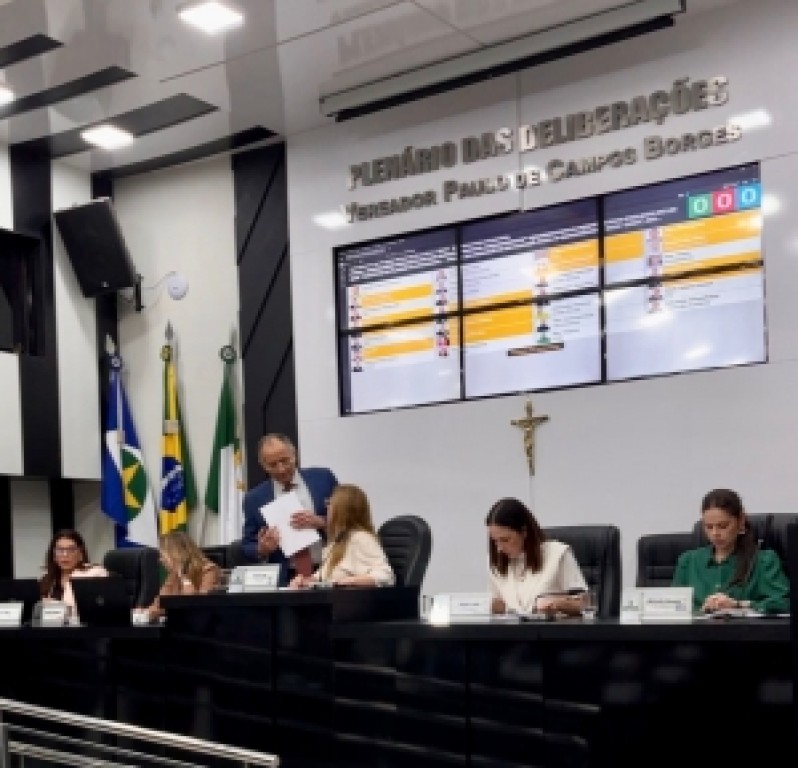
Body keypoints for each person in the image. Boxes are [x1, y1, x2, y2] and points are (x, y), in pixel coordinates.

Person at [672, 488, 789, 614]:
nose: (715, 533)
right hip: (699, 626)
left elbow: (786, 602)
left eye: (723, 526)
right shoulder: (688, 561)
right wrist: (701, 610)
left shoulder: (763, 561)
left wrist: (738, 604)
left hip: (744, 627)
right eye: (709, 527)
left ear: (741, 521)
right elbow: (672, 606)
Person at [242, 433, 338, 584]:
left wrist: (322, 522)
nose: (281, 469)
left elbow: (350, 520)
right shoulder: (254, 499)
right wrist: (262, 549)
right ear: (263, 465)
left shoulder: (323, 479)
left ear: (294, 455)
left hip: (328, 570)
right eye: (273, 465)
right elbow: (248, 544)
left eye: (285, 461)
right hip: (286, 577)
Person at [486, 498, 587, 615]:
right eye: (495, 541)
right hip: (514, 626)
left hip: (553, 626)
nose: (499, 548)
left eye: (505, 540)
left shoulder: (558, 554)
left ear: (524, 532)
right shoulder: (496, 561)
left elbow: (583, 605)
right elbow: (499, 603)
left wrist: (558, 604)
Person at [290, 484, 394, 588]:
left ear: (342, 510)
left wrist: (351, 581)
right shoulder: (338, 540)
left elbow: (386, 576)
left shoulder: (361, 538)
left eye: (330, 504)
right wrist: (305, 581)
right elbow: (323, 576)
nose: (327, 508)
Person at [147, 531, 221, 618]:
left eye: (163, 555)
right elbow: (161, 602)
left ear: (176, 553)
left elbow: (195, 605)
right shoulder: (174, 574)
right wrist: (146, 612)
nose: (161, 559)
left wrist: (185, 578)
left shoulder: (209, 571)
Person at [39, 529, 108, 617]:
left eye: (71, 549)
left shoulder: (95, 574)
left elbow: (98, 609)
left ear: (80, 554)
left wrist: (56, 606)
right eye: (60, 549)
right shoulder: (47, 579)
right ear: (54, 555)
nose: (65, 554)